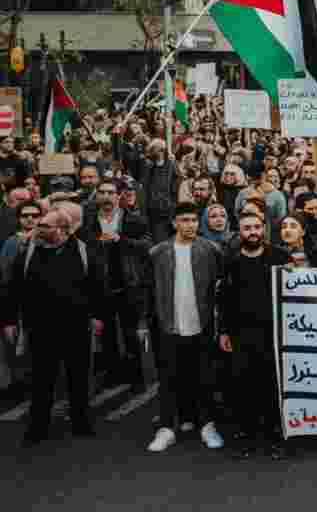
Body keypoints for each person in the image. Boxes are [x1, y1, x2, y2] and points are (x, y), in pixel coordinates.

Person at [1, 208, 104, 446]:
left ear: (62, 230)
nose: (38, 228)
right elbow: (12, 287)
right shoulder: (28, 252)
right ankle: (38, 426)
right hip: (39, 328)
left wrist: (98, 316)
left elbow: (97, 286)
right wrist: (7, 320)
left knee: (77, 377)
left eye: (45, 225)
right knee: (40, 379)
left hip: (75, 327)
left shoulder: (82, 251)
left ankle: (81, 422)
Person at [145, 202, 225, 453]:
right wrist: (143, 323)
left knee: (204, 377)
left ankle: (207, 426)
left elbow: (220, 289)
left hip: (202, 324)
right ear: (174, 223)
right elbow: (147, 291)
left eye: (193, 220)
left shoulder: (211, 249)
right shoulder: (158, 252)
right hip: (168, 325)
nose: (189, 225)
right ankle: (167, 428)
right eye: (184, 221)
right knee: (168, 378)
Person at [218, 211, 290, 460]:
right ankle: (248, 436)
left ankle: (275, 437)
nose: (252, 232)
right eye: (247, 228)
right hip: (241, 334)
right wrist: (224, 331)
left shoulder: (280, 257)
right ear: (240, 231)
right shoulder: (231, 261)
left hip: (275, 333)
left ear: (264, 229)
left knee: (272, 386)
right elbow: (224, 299)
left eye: (256, 227)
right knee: (244, 386)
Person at [80, 178, 152, 391]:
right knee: (107, 334)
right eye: (102, 192)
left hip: (128, 283)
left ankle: (137, 377)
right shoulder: (89, 220)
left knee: (131, 333)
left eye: (111, 192)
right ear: (97, 196)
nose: (106, 197)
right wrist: (96, 244)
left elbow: (147, 244)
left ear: (119, 195)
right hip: (100, 284)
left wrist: (121, 240)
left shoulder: (133, 219)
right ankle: (113, 374)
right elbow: (84, 246)